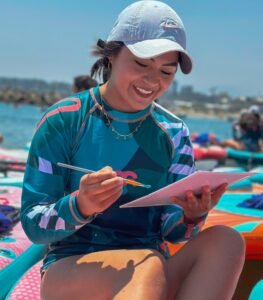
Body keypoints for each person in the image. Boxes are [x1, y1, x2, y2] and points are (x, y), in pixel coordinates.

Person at [21, 1, 245, 299]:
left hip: (148, 268)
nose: (153, 81)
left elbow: (172, 233)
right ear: (111, 55)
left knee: (226, 241)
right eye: (142, 64)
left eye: (167, 72)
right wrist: (80, 205)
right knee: (150, 265)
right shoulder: (65, 120)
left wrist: (191, 216)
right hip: (71, 267)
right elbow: (34, 225)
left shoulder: (174, 133)